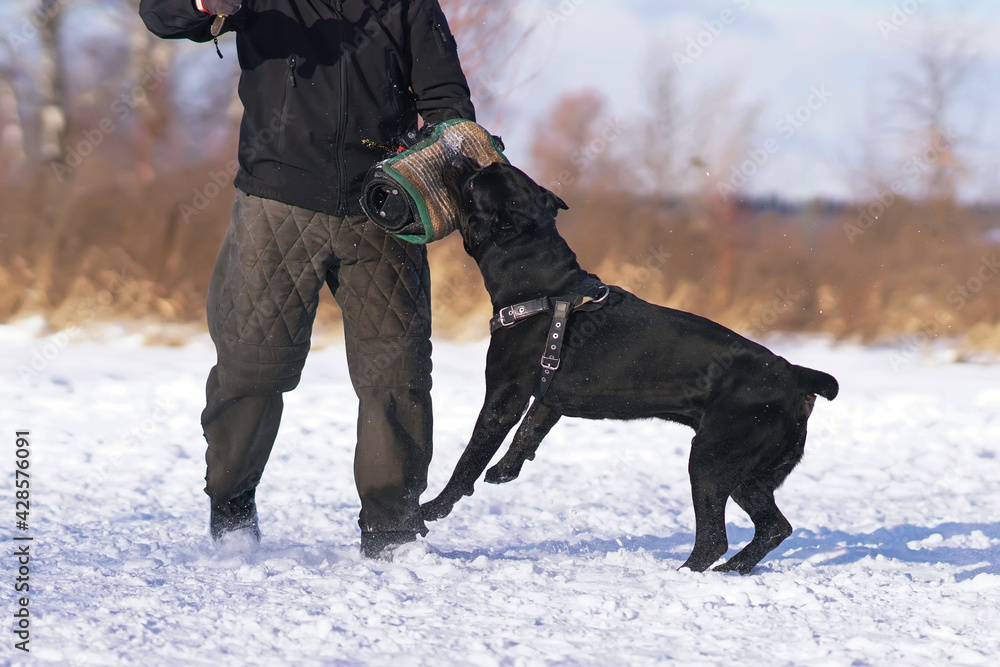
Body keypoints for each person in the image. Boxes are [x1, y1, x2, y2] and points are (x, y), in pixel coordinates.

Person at [138, 0, 475, 558]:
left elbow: (446, 100)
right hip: (277, 205)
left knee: (398, 376)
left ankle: (392, 530)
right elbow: (165, 17)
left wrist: (444, 160)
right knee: (251, 368)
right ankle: (232, 508)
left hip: (382, 210)